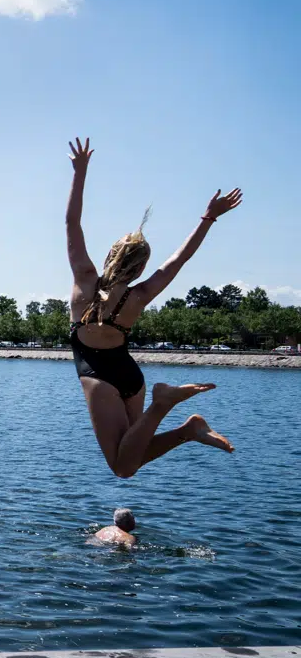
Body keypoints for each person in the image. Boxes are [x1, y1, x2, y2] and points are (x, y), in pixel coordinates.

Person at [64, 138, 240, 478]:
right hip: (130, 376)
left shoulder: (84, 279)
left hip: (99, 379)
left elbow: (72, 224)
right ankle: (188, 430)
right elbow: (180, 259)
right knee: (131, 457)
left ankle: (163, 403)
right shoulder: (140, 295)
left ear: (109, 255)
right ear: (140, 268)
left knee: (121, 466)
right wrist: (207, 218)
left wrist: (80, 172)